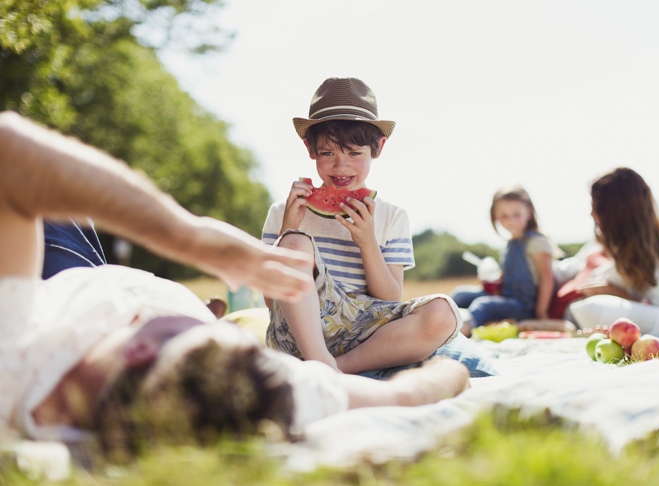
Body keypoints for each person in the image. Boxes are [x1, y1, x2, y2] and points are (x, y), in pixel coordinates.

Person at [0, 111, 470, 453]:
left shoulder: (14, 356)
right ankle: (215, 310)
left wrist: (195, 238)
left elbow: (9, 148)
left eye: (193, 330)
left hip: (66, 283)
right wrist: (450, 364)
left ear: (140, 346)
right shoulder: (251, 389)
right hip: (319, 333)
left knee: (55, 200)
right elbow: (413, 392)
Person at [261, 77, 461, 373]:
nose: (341, 166)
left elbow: (389, 300)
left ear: (378, 147)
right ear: (310, 148)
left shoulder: (392, 217)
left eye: (355, 153)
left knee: (444, 312)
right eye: (328, 153)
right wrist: (290, 229)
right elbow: (269, 300)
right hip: (300, 334)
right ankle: (318, 358)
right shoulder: (283, 211)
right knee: (294, 243)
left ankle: (334, 369)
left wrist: (368, 243)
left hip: (364, 335)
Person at [546, 167, 659, 335]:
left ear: (613, 213)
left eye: (594, 206)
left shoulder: (645, 262)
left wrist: (614, 293)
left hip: (573, 313)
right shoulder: (598, 244)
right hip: (553, 303)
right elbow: (567, 268)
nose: (591, 213)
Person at [450, 185, 556, 335]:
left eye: (516, 214)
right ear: (495, 216)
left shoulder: (536, 242)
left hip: (524, 306)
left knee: (482, 305)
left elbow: (547, 278)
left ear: (529, 213)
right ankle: (438, 323)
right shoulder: (508, 246)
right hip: (505, 298)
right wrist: (494, 282)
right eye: (503, 215)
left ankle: (458, 334)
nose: (510, 220)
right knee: (460, 294)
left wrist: (541, 314)